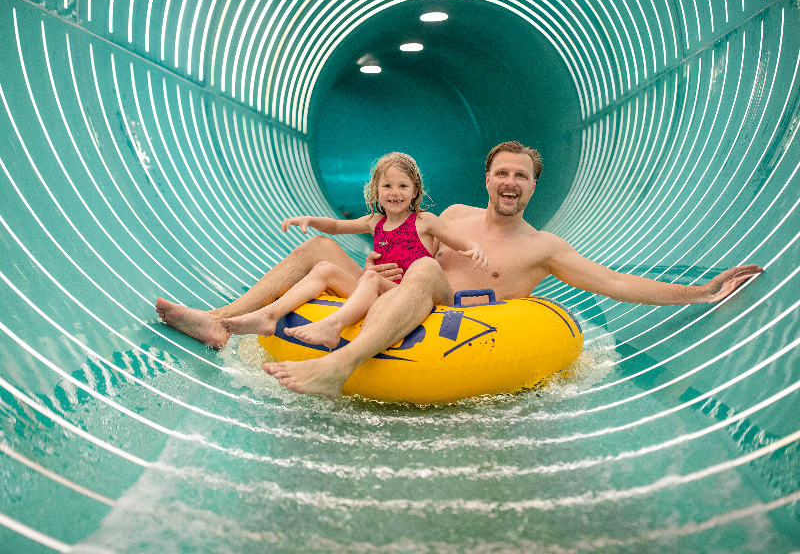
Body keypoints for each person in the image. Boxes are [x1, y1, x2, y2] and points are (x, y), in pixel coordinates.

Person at [156, 141, 762, 398]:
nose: (509, 182)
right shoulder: (457, 215)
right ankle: (217, 321)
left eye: (521, 175)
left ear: (534, 186)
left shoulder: (543, 246)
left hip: (454, 321)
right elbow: (396, 236)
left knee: (422, 273)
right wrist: (363, 255)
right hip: (394, 291)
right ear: (488, 177)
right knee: (319, 254)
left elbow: (619, 282)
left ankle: (336, 367)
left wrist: (699, 291)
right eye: (502, 171)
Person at [217, 152, 487, 350]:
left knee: (369, 277)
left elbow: (459, 243)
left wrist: (475, 249)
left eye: (403, 186)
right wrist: (310, 220)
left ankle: (333, 326)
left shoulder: (424, 221)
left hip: (406, 298)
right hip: (377, 292)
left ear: (415, 190)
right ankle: (269, 316)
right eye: (387, 186)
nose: (395, 193)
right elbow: (335, 226)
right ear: (376, 190)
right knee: (324, 268)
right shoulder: (375, 221)